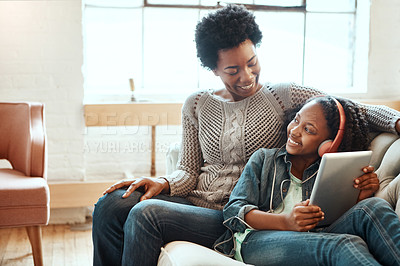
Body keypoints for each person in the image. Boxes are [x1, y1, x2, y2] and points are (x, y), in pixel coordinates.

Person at [92, 4, 400, 266]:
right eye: (232, 70)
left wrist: (397, 122)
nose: (247, 76)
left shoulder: (284, 96)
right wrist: (163, 182)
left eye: (252, 63)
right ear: (213, 68)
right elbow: (188, 170)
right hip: (198, 204)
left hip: (244, 211)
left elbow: (348, 110)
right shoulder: (196, 103)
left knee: (148, 214)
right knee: (110, 205)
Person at [214, 96, 400, 265]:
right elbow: (233, 211)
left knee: (373, 206)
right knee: (345, 244)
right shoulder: (264, 159)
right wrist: (286, 221)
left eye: (308, 129)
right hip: (257, 240)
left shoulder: (333, 170)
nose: (294, 131)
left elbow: (332, 221)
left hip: (316, 237)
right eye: (296, 119)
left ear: (330, 143)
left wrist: (361, 197)